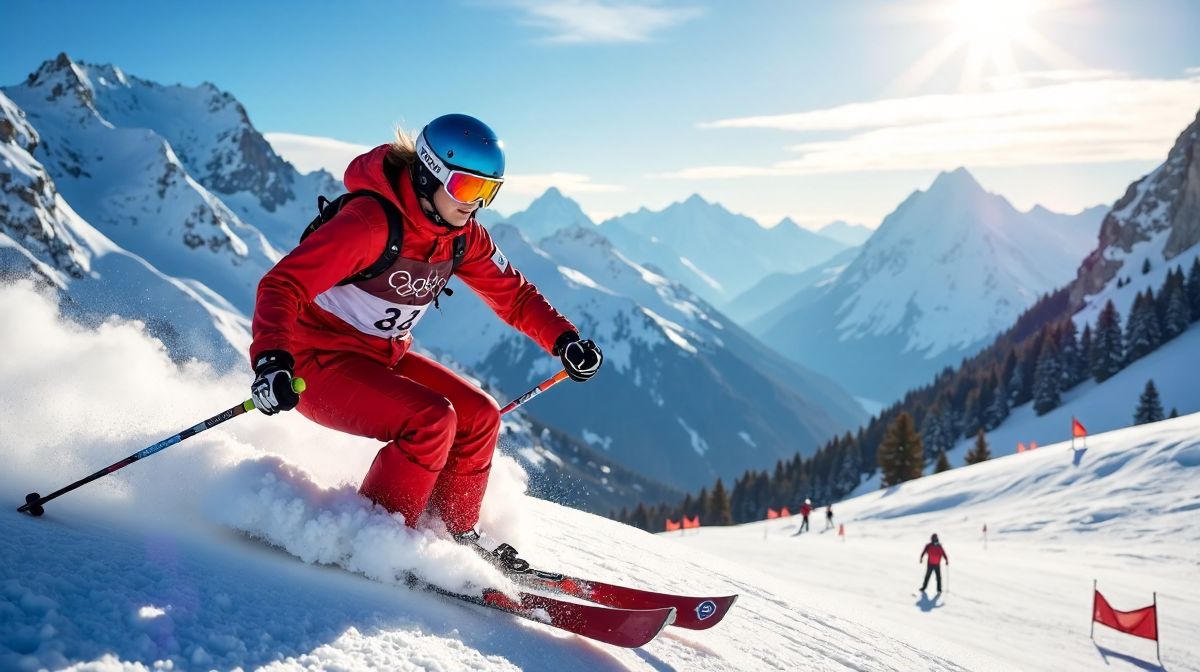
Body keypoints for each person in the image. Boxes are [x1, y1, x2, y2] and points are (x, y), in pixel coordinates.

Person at [248, 114, 603, 568]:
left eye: (487, 192)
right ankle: (377, 538)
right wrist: (271, 360)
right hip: (312, 364)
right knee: (431, 420)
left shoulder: (462, 236)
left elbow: (513, 295)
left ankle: (452, 532)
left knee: (480, 416)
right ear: (429, 173)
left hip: (381, 357)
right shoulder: (368, 225)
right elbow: (282, 285)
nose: (475, 204)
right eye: (466, 188)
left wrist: (564, 339)